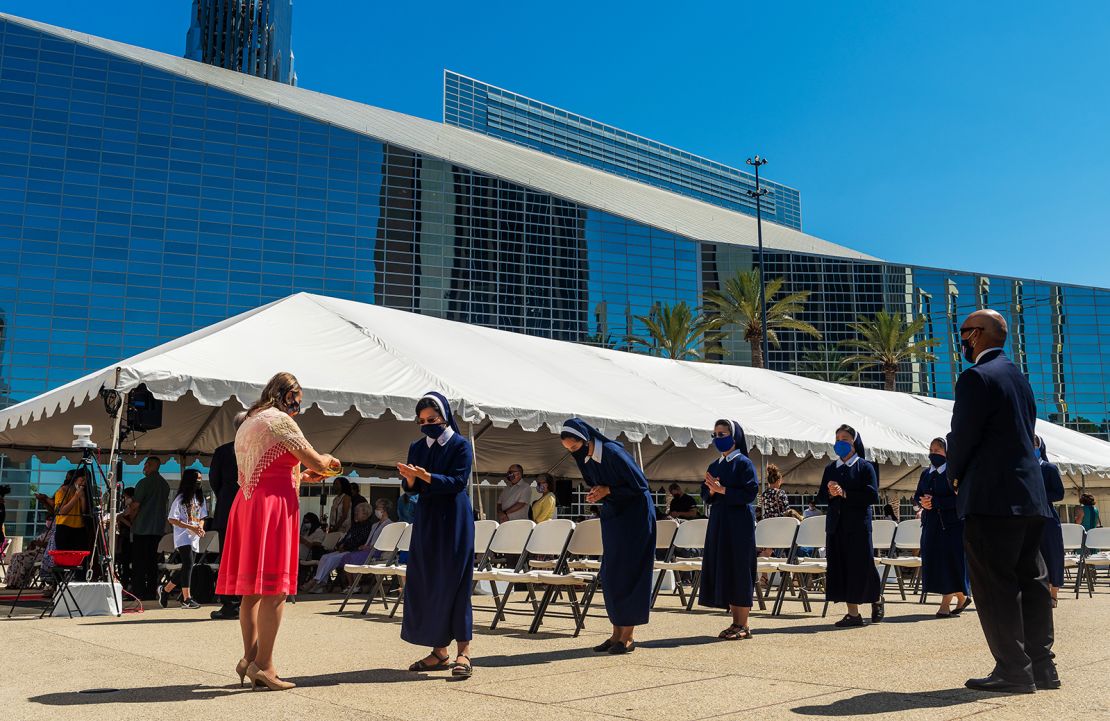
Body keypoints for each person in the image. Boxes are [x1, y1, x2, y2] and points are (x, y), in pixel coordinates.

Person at [946, 309, 1056, 693]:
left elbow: (962, 436)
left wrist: (953, 474)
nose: (960, 341)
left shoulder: (976, 377)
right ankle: (1043, 668)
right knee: (1033, 582)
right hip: (1029, 498)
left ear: (976, 336)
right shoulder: (1019, 379)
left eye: (962, 333)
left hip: (992, 498)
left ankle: (1013, 670)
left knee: (995, 587)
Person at [215, 372, 340, 692]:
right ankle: (266, 666)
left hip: (248, 505)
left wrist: (302, 475)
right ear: (288, 394)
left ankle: (249, 658)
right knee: (275, 589)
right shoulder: (281, 421)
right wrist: (331, 465)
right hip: (273, 509)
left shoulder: (250, 422)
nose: (298, 406)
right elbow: (318, 460)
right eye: (297, 398)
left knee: (251, 592)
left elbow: (274, 465)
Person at [560, 418, 656, 654]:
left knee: (630, 571)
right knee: (612, 573)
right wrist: (596, 494)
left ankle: (628, 636)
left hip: (636, 517)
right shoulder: (584, 459)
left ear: (586, 439)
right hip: (613, 516)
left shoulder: (613, 453)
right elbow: (599, 485)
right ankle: (615, 634)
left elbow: (640, 486)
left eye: (574, 447)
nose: (573, 453)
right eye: (569, 450)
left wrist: (608, 490)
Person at [397, 392, 475, 678]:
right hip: (428, 518)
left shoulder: (460, 445)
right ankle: (439, 650)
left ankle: (463, 652)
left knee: (455, 583)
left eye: (432, 419)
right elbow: (414, 490)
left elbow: (457, 482)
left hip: (455, 519)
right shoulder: (417, 446)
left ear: (444, 416)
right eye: (422, 420)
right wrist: (409, 480)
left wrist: (427, 477)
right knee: (427, 581)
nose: (427, 424)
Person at [817, 424, 884, 627]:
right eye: (837, 439)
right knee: (842, 567)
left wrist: (845, 493)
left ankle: (877, 599)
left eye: (845, 439)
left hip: (858, 526)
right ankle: (853, 613)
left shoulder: (865, 466)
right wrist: (830, 491)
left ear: (855, 442)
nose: (840, 442)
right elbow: (820, 497)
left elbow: (872, 495)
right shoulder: (831, 468)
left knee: (861, 566)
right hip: (836, 525)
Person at [699, 419, 759, 640]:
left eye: (722, 434)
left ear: (735, 437)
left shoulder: (743, 463)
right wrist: (712, 491)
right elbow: (705, 494)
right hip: (719, 520)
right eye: (715, 435)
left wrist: (722, 489)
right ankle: (735, 622)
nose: (718, 438)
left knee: (739, 568)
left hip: (738, 522)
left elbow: (750, 493)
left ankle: (743, 623)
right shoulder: (714, 465)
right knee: (725, 567)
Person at [912, 438, 970, 617]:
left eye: (937, 450)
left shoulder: (954, 473)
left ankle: (945, 603)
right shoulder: (926, 474)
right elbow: (917, 496)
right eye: (931, 449)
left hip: (951, 526)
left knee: (949, 562)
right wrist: (922, 502)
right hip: (931, 524)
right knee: (934, 561)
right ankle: (961, 596)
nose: (933, 453)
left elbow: (961, 499)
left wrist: (936, 502)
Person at [210, 412, 245, 620]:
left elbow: (214, 481)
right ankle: (247, 602)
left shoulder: (223, 451)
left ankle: (230, 604)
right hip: (251, 507)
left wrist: (224, 495)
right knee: (248, 557)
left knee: (228, 558)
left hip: (228, 506)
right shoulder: (257, 450)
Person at [158, 469, 208, 609]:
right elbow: (172, 519)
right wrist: (190, 527)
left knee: (188, 566)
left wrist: (200, 527)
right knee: (188, 562)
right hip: (182, 536)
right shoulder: (180, 499)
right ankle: (187, 598)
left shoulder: (200, 498)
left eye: (200, 479)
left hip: (194, 537)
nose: (199, 482)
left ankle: (166, 590)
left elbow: (202, 517)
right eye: (197, 479)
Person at [304, 502, 379, 592]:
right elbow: (346, 536)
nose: (355, 514)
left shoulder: (367, 526)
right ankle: (320, 583)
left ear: (365, 514)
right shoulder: (355, 525)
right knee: (325, 557)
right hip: (345, 549)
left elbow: (359, 540)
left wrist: (345, 547)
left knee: (331, 559)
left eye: (357, 512)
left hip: (353, 550)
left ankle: (316, 581)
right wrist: (340, 545)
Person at [131, 457, 170, 599]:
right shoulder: (164, 485)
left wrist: (130, 519)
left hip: (142, 527)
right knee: (153, 562)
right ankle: (151, 591)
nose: (144, 467)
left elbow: (135, 506)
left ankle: (138, 592)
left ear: (150, 465)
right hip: (158, 528)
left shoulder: (144, 483)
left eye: (146, 464)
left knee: (139, 562)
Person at [1034, 436, 1065, 608]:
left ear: (1041, 447)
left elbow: (1059, 493)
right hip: (1030, 518)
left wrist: (1040, 498)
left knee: (1052, 554)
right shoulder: (1023, 469)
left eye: (1034, 444)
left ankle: (1053, 594)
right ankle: (1039, 592)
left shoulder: (1049, 468)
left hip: (1048, 518)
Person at [757, 464, 789, 586]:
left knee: (766, 552)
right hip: (780, 526)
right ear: (778, 480)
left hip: (767, 526)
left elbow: (758, 511)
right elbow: (787, 511)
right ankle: (794, 578)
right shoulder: (781, 493)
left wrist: (762, 522)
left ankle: (763, 578)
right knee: (790, 550)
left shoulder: (763, 494)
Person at [52, 468, 90, 554]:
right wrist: (76, 497)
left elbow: (83, 512)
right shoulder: (62, 490)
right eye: (82, 479)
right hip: (64, 527)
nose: (84, 483)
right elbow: (62, 511)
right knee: (65, 556)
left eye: (86, 481)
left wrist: (83, 498)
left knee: (79, 557)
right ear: (75, 479)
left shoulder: (84, 492)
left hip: (79, 528)